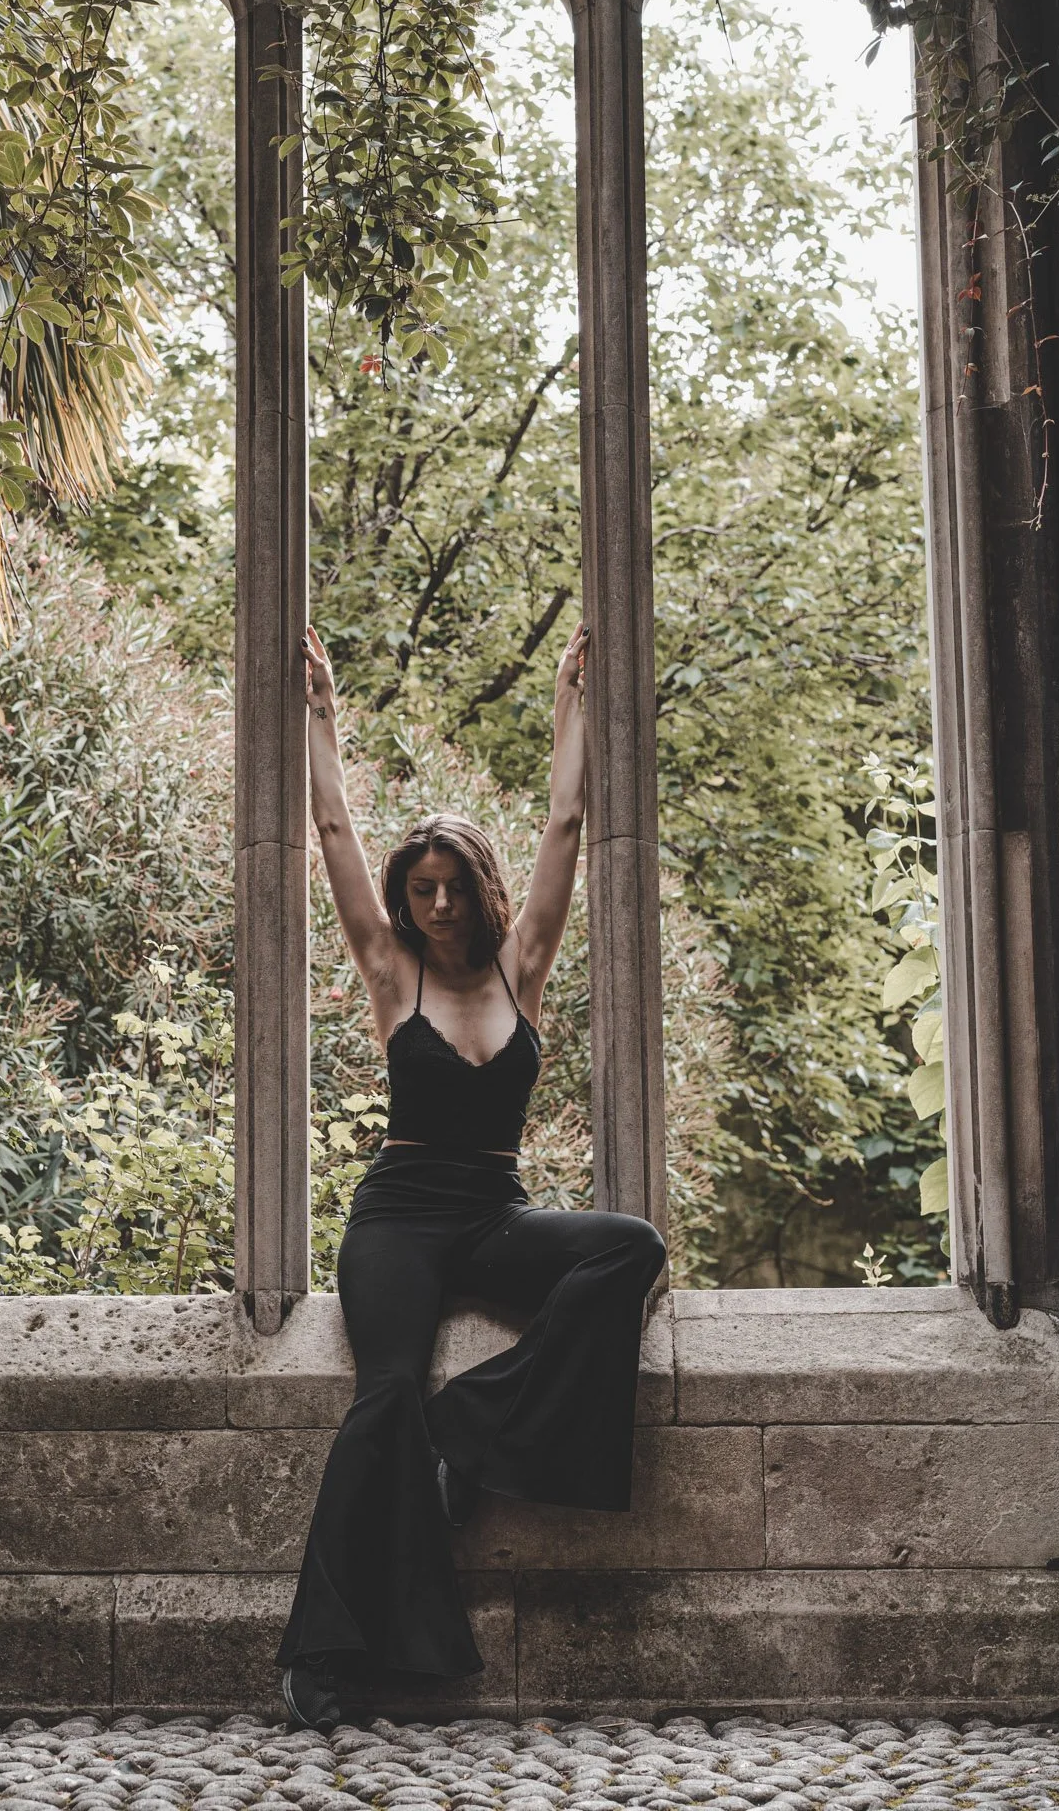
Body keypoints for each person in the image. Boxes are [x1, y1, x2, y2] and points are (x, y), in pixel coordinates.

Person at [278, 618, 667, 1729]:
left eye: (452, 885)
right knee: (384, 1399)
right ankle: (325, 1653)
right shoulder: (389, 969)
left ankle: (476, 1433)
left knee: (627, 1245)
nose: (437, 903)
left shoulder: (522, 963)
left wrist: (572, 703)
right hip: (396, 1218)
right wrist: (322, 715)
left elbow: (565, 822)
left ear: (478, 888)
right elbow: (332, 824)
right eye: (423, 887)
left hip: (492, 1212)